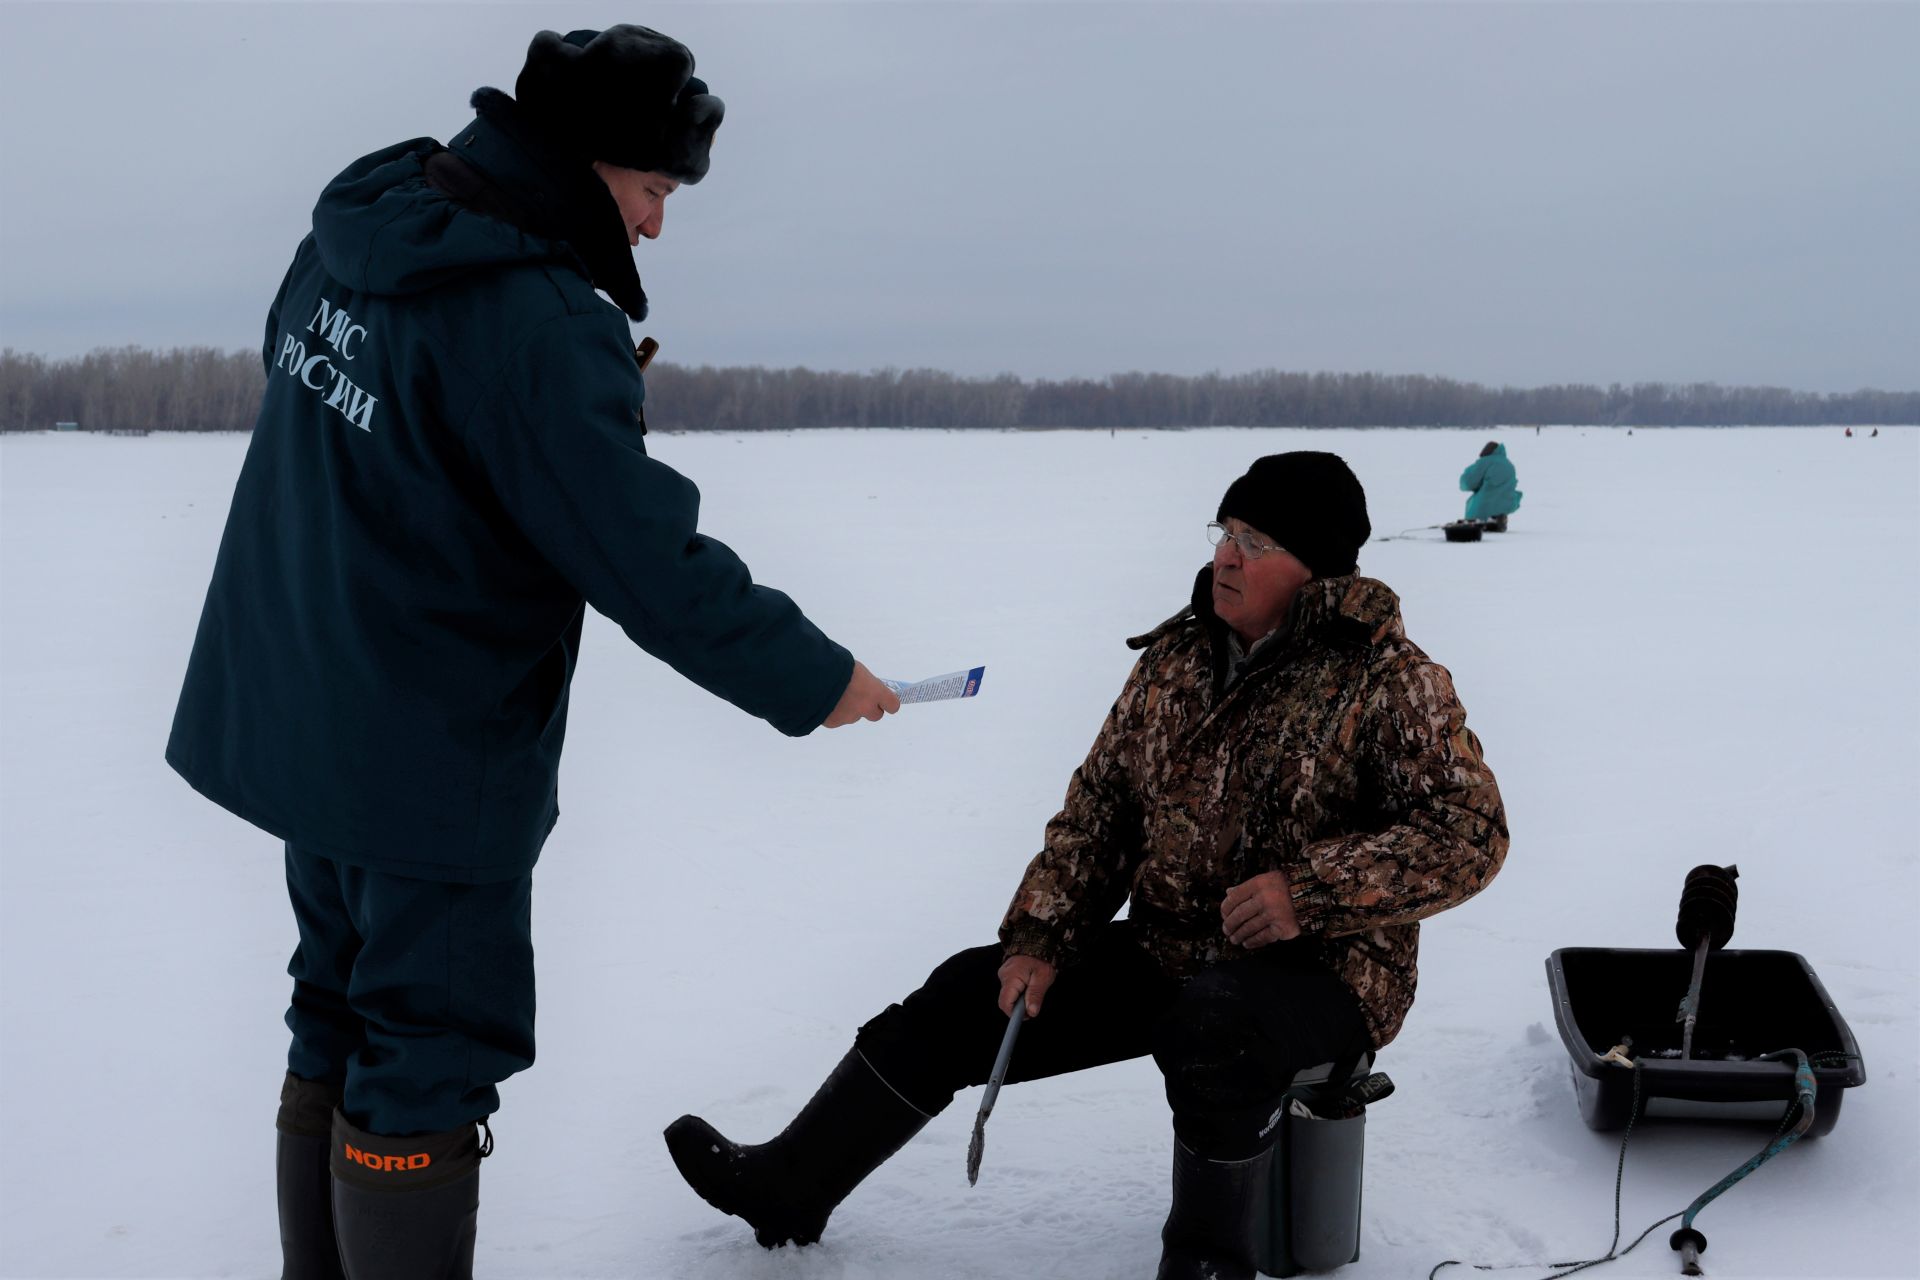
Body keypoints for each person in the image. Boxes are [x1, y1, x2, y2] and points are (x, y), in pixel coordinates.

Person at [164, 25, 902, 1280]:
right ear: (584, 162)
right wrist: (815, 677)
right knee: (431, 1038)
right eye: (656, 190)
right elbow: (643, 560)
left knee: (335, 1005)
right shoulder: (535, 319)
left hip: (302, 708)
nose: (659, 230)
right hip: (426, 754)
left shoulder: (364, 227)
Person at [665, 452, 1509, 1279]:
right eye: (1225, 531)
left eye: (1255, 542)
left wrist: (1308, 892)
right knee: (971, 995)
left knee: (1217, 1029)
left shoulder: (1388, 679)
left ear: (1315, 565)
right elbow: (1100, 811)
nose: (1224, 555)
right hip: (1174, 948)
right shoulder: (1176, 660)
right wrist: (1042, 933)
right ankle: (788, 1186)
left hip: (1329, 971)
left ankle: (1208, 1265)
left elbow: (1471, 832)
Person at [1459, 439, 1523, 530]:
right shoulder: (1509, 465)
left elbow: (1467, 482)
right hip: (1503, 510)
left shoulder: (1485, 462)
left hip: (1480, 514)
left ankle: (1487, 520)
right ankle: (1498, 520)